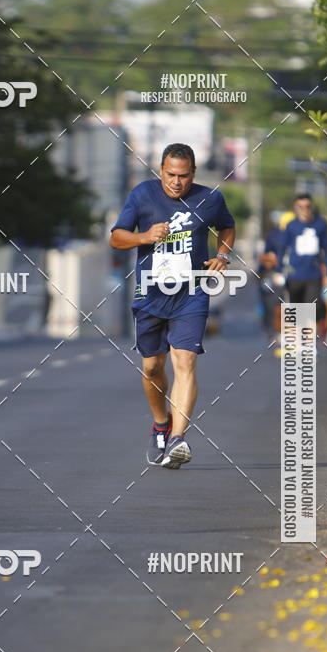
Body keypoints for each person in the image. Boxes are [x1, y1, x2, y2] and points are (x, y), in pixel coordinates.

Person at [109, 143, 235, 469]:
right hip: (150, 293)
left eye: (183, 176)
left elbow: (227, 226)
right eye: (170, 174)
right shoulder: (142, 195)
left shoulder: (210, 199)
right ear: (160, 170)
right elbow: (116, 237)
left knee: (185, 361)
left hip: (191, 292)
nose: (176, 182)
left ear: (193, 173)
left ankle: (178, 439)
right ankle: (161, 423)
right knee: (152, 367)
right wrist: (144, 236)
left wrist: (222, 255)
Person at [274, 194, 327, 310]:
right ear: (295, 208)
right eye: (301, 207)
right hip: (294, 276)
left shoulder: (321, 224)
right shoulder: (291, 226)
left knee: (311, 310)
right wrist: (278, 271)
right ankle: (296, 328)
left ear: (312, 207)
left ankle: (310, 327)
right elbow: (282, 248)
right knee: (295, 312)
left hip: (314, 275)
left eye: (307, 206)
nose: (304, 210)